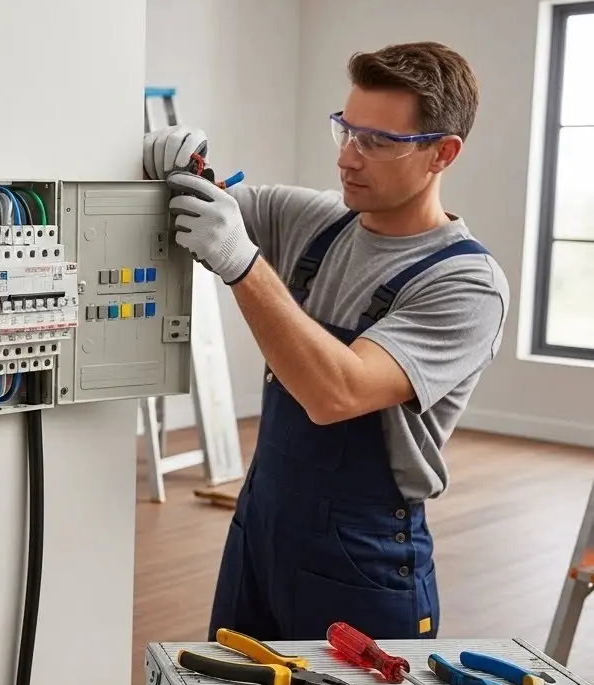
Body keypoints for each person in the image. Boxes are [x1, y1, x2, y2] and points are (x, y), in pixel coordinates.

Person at [142, 41, 509, 641]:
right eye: (346, 131)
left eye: (379, 142)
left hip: (361, 559)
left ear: (443, 153)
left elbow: (336, 392)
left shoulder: (466, 284)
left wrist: (241, 262)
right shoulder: (312, 219)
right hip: (262, 526)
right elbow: (191, 210)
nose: (349, 158)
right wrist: (177, 167)